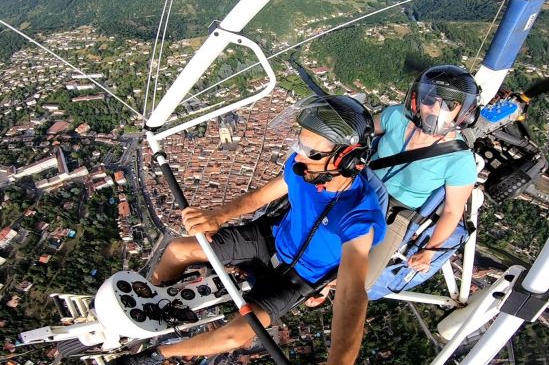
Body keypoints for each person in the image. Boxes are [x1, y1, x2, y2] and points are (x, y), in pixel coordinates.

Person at [112, 95, 386, 365]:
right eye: (300, 144)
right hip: (267, 240)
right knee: (177, 250)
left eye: (311, 151)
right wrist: (217, 216)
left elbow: (351, 293)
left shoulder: (359, 216)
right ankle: (153, 295)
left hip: (296, 280)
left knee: (234, 337)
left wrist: (340, 361)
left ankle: (154, 355)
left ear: (346, 161)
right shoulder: (302, 169)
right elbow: (258, 198)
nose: (299, 156)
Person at [365, 65, 479, 298]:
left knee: (361, 282)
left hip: (397, 213)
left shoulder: (459, 161)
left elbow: (452, 212)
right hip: (361, 185)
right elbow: (361, 132)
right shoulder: (395, 117)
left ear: (464, 113)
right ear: (416, 100)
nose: (436, 109)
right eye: (430, 99)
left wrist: (429, 251)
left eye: (449, 104)